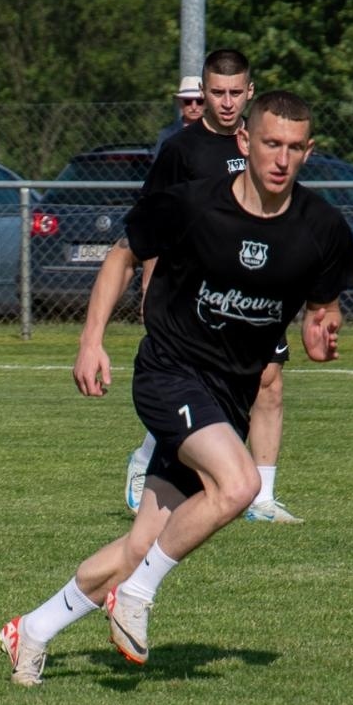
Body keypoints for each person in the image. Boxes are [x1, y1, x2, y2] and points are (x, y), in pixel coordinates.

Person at [0, 91, 353, 686]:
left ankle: (32, 630)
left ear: (308, 152)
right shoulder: (192, 205)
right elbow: (121, 257)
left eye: (295, 148)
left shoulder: (322, 229)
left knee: (142, 543)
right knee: (240, 484)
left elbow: (324, 308)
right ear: (244, 142)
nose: (281, 158)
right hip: (168, 373)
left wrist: (323, 332)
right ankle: (136, 597)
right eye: (271, 143)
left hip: (228, 396)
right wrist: (91, 341)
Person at [125, 49, 303, 524]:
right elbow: (151, 227)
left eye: (234, 93)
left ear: (250, 92)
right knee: (199, 383)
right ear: (202, 93)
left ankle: (262, 497)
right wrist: (148, 288)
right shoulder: (181, 151)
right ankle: (150, 454)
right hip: (193, 298)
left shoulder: (259, 143)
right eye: (216, 93)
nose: (225, 103)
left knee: (268, 379)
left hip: (255, 290)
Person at [152, 74, 206, 155]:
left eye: (199, 101)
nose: (194, 107)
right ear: (180, 103)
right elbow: (159, 165)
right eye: (188, 101)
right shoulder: (167, 135)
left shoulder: (217, 132)